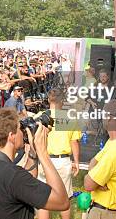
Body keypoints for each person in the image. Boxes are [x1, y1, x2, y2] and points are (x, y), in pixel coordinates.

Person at [0, 108, 69, 219]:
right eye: (20, 129)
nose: (23, 132)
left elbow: (24, 184)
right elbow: (62, 202)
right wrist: (43, 153)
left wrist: (33, 152)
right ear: (11, 136)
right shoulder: (13, 176)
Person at [84, 99, 116, 219]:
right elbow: (93, 161)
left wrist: (95, 180)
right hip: (112, 210)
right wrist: (98, 180)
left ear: (109, 118)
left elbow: (88, 184)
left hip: (104, 213)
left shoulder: (115, 151)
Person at [37, 89, 80, 219]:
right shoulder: (69, 118)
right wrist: (76, 162)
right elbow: (74, 142)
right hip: (62, 161)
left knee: (43, 200)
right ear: (62, 100)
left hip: (44, 160)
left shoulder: (39, 116)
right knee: (65, 198)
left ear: (49, 100)